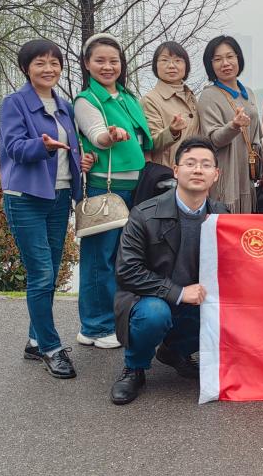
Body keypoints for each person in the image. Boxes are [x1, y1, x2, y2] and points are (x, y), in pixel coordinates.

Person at [0, 39, 93, 379]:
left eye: (54, 63)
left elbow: (69, 149)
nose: (48, 69)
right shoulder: (15, 103)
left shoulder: (64, 105)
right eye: (40, 63)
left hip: (59, 196)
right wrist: (43, 147)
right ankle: (51, 348)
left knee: (50, 272)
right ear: (26, 68)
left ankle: (35, 340)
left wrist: (82, 159)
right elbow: (14, 147)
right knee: (40, 274)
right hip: (26, 197)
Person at [109, 137, 228, 405]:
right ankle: (134, 367)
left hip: (195, 300)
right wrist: (178, 292)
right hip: (147, 299)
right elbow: (127, 271)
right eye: (190, 163)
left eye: (205, 165)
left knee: (228, 308)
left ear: (216, 174)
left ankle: (174, 352)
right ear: (176, 171)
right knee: (154, 314)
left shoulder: (222, 215)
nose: (198, 170)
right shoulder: (144, 214)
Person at [74, 33, 153, 350]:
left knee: (123, 257)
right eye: (100, 61)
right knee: (99, 259)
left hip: (134, 188)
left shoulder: (126, 97)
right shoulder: (87, 101)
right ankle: (94, 326)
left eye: (113, 61)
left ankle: (113, 320)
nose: (108, 67)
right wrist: (110, 136)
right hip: (105, 189)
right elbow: (96, 134)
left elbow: (143, 140)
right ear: (87, 64)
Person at [196, 35, 262, 214]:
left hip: (247, 174)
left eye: (230, 56)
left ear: (238, 59)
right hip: (226, 174)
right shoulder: (209, 96)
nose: (225, 63)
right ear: (210, 65)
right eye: (218, 59)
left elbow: (257, 134)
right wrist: (234, 126)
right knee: (226, 220)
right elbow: (212, 139)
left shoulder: (248, 93)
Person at [141, 41, 198, 166]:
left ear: (186, 66)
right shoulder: (150, 100)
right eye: (164, 60)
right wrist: (171, 131)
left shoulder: (192, 97)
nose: (171, 65)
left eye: (178, 60)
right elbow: (150, 143)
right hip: (168, 171)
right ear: (155, 66)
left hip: (195, 168)